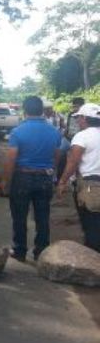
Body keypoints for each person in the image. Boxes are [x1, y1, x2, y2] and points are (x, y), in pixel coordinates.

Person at [2, 96, 61, 262]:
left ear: (24, 110)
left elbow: (11, 159)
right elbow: (56, 156)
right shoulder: (54, 131)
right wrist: (51, 173)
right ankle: (41, 251)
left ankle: (20, 250)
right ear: (42, 110)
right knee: (43, 216)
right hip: (45, 177)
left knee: (19, 216)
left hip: (22, 177)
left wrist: (6, 182)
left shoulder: (18, 131)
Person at [57, 103, 100, 252]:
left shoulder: (82, 136)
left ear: (84, 118)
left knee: (91, 224)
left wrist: (62, 181)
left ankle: (93, 260)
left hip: (90, 185)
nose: (77, 121)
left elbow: (73, 162)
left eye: (79, 118)